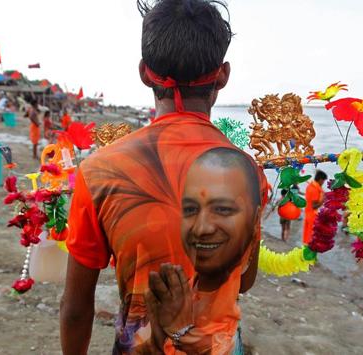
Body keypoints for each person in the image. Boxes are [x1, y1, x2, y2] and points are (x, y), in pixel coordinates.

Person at [60, 1, 267, 353]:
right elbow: (244, 281)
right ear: (223, 75)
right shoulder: (248, 172)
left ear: (144, 72)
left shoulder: (99, 169)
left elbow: (76, 306)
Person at [145, 148, 262, 353]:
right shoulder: (181, 292)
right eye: (190, 209)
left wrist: (180, 330)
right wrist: (159, 330)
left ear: (255, 220)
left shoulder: (224, 340)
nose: (201, 228)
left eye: (223, 209)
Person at [302, 170, 327, 244]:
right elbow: (314, 206)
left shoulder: (310, 186)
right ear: (320, 179)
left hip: (307, 213)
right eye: (323, 181)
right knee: (311, 237)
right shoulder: (315, 189)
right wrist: (323, 199)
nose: (323, 183)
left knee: (307, 236)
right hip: (312, 215)